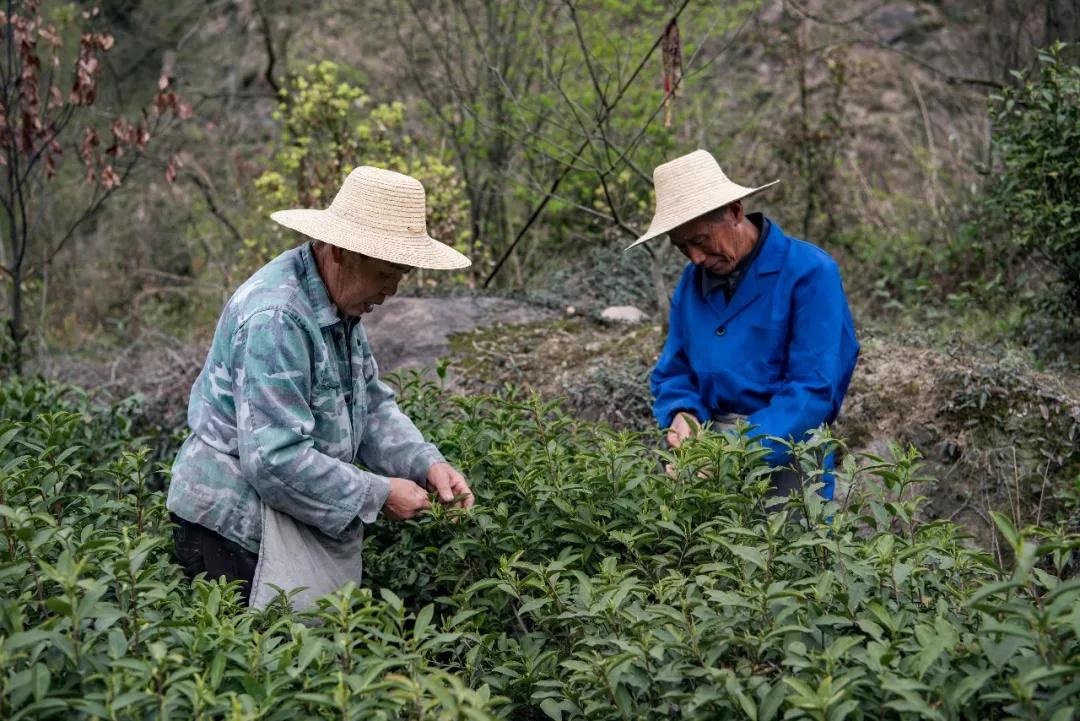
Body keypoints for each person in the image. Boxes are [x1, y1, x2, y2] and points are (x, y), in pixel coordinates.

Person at [167, 165, 474, 605]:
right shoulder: (277, 318)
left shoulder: (338, 306)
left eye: (401, 275)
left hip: (281, 514)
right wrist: (379, 493)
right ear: (342, 251)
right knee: (263, 663)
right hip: (231, 530)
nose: (391, 290)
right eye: (386, 273)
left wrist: (425, 464)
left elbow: (371, 406)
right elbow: (275, 460)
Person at [627, 149, 859, 501]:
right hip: (707, 449)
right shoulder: (693, 282)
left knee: (781, 552)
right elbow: (675, 370)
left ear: (735, 212)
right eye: (681, 247)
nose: (695, 257)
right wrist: (683, 413)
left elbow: (813, 390)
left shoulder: (809, 273)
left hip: (787, 450)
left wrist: (732, 452)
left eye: (700, 240)